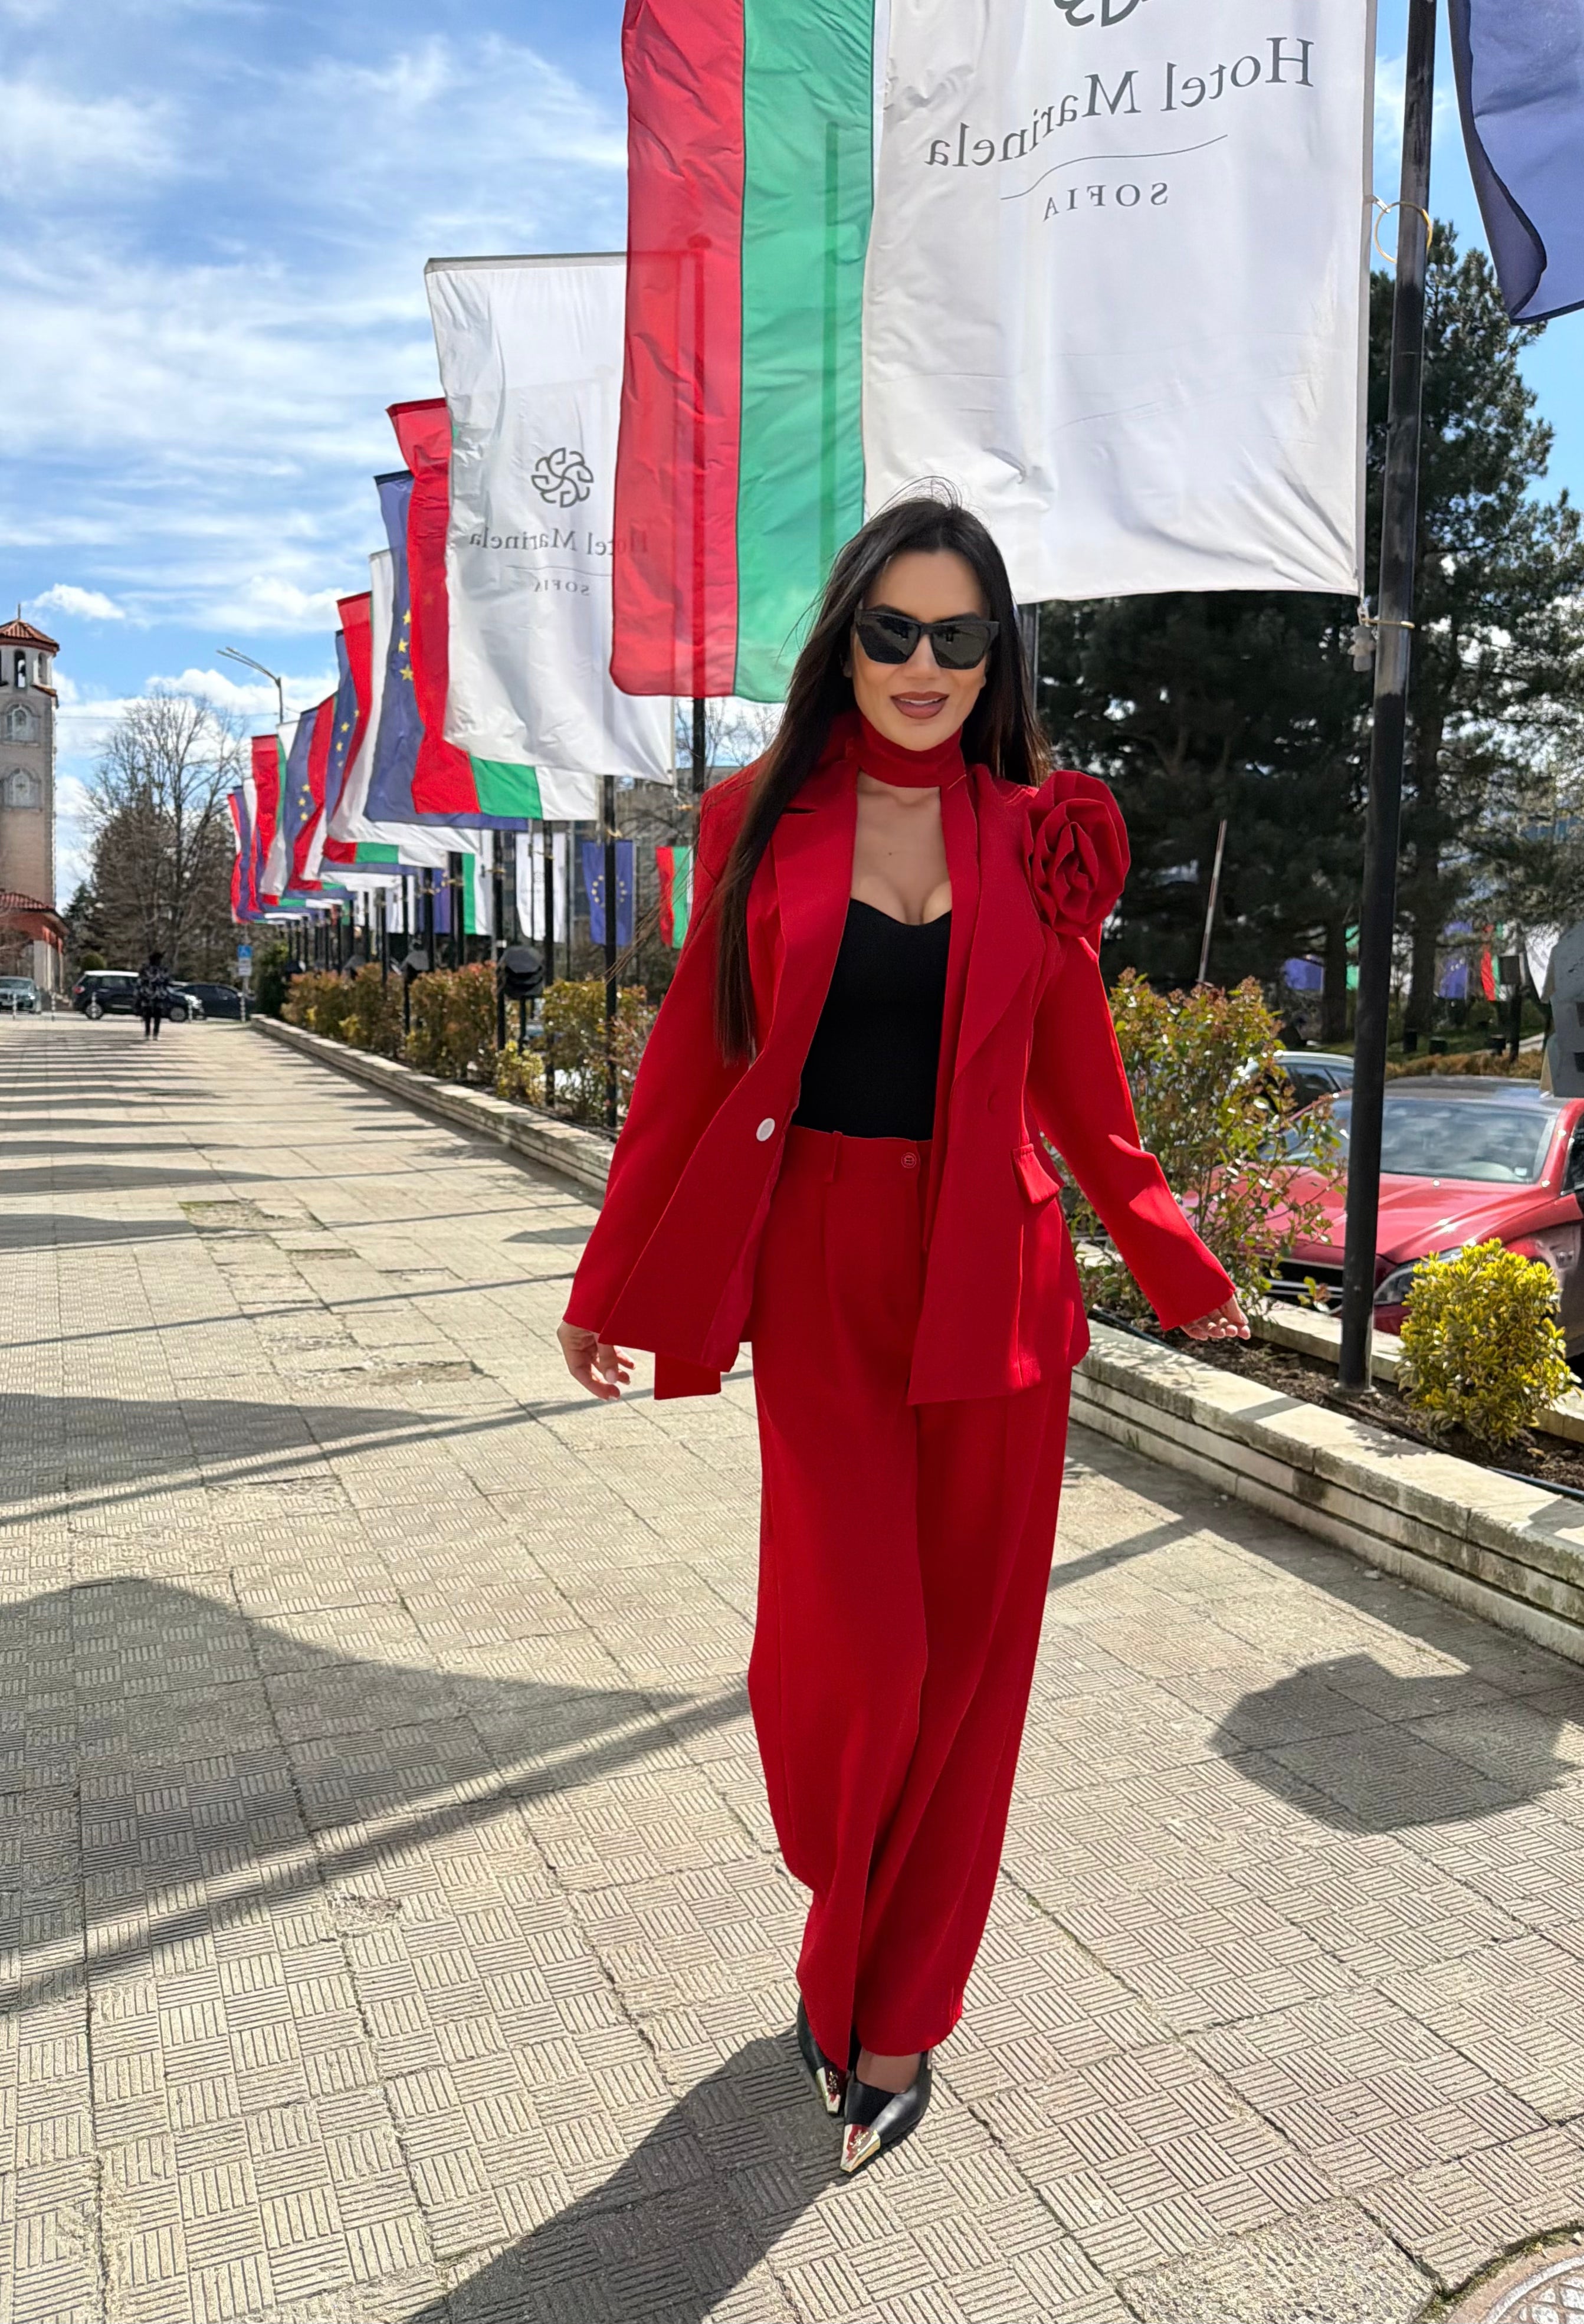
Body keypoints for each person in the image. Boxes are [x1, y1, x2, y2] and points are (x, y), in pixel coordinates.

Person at [556, 496, 1247, 2177]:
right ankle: (842, 1911)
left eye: (958, 636)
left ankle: (891, 2013)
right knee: (856, 1658)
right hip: (824, 1280)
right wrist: (610, 1275)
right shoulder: (758, 817)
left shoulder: (1034, 832)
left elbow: (1078, 1074)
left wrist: (1170, 1249)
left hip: (998, 1285)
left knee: (971, 1677)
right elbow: (696, 1057)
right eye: (892, 631)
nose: (923, 665)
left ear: (996, 657)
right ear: (846, 642)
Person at [137, 950, 174, 1040]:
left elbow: (167, 980)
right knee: (149, 1015)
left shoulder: (161, 969)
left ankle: (154, 1034)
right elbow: (141, 981)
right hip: (150, 994)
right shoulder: (149, 969)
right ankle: (149, 1033)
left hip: (157, 994)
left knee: (156, 1015)